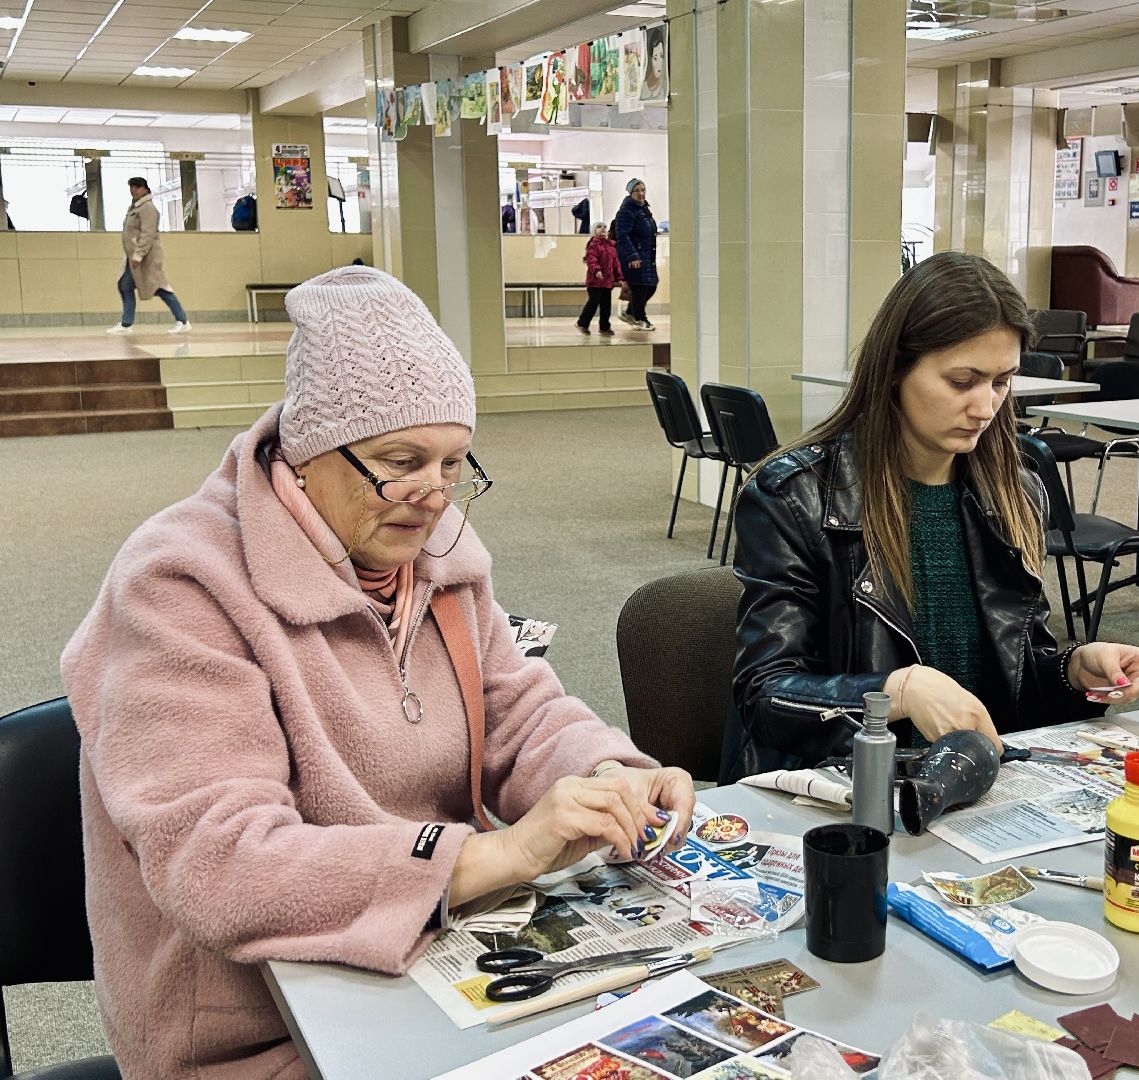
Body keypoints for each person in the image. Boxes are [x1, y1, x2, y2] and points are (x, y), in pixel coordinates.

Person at [63, 265, 696, 1078]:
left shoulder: (438, 557)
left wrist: (606, 775)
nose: (433, 498)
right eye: (402, 460)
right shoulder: (181, 583)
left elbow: (518, 712)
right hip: (260, 1025)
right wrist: (496, 856)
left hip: (438, 958)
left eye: (453, 464)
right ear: (307, 453)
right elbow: (221, 865)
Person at [721, 251, 1139, 782]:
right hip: (846, 789)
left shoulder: (1014, 493)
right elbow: (765, 694)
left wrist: (1073, 670)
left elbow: (1014, 675)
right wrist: (896, 692)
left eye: (1001, 382)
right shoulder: (795, 497)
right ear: (895, 369)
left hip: (972, 786)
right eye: (962, 381)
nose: (986, 407)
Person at [107, 176, 190, 335]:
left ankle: (183, 321)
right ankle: (126, 324)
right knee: (125, 285)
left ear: (145, 189)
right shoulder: (135, 207)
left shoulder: (148, 208)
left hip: (146, 259)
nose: (133, 190)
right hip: (132, 258)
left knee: (160, 288)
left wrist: (138, 255)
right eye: (131, 187)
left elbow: (148, 234)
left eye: (137, 187)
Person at [614, 178, 658, 330]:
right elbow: (622, 235)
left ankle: (630, 312)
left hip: (647, 255)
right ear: (630, 193)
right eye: (637, 191)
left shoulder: (644, 209)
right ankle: (639, 318)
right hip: (634, 256)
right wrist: (632, 255)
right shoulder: (626, 211)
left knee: (651, 286)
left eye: (643, 190)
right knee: (640, 287)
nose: (641, 193)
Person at [577, 222, 622, 336]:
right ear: (594, 231)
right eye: (599, 227)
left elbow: (616, 264)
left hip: (608, 282)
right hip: (595, 281)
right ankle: (582, 323)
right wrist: (597, 270)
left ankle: (604, 327)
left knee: (606, 306)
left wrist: (620, 277)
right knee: (593, 303)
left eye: (604, 227)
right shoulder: (593, 245)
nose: (603, 228)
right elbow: (591, 259)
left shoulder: (611, 246)